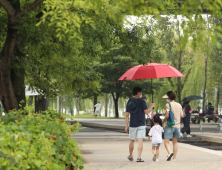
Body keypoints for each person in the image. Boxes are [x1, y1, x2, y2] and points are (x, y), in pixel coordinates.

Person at [125, 87, 155, 162]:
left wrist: (126, 125)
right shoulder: (142, 102)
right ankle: (139, 157)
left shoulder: (130, 101)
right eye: (141, 92)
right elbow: (147, 111)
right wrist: (152, 106)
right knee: (140, 140)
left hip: (132, 124)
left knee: (132, 140)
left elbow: (127, 115)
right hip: (141, 124)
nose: (141, 93)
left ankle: (131, 156)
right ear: (138, 92)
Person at [162, 91, 183, 161]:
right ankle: (174, 158)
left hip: (169, 125)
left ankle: (170, 152)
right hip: (177, 126)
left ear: (169, 97)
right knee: (175, 142)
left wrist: (163, 120)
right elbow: (182, 115)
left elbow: (167, 115)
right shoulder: (179, 105)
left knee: (166, 141)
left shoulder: (168, 105)